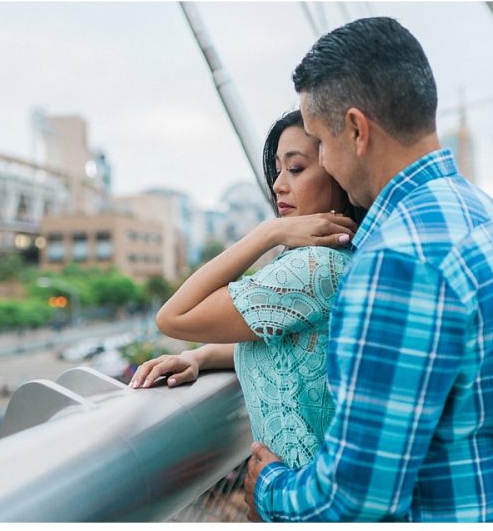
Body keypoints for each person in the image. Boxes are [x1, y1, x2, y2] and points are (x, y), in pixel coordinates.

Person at [244, 17, 493, 522]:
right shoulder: (487, 217)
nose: (323, 160)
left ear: (356, 130)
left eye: (321, 142)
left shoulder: (395, 263)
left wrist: (270, 485)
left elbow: (352, 502)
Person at [131, 110, 365, 471]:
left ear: (338, 168)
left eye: (297, 168)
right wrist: (202, 357)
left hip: (301, 498)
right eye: (278, 170)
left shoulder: (312, 268)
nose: (278, 185)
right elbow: (289, 344)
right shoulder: (338, 257)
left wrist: (265, 233)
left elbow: (173, 316)